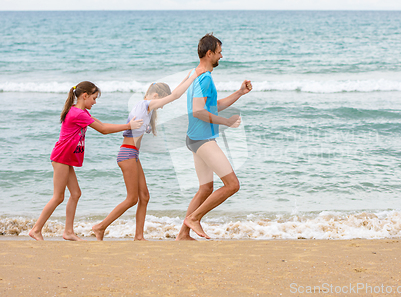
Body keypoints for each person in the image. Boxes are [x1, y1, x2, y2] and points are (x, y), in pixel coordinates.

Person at [92, 67, 206, 241]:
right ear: (155, 97)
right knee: (131, 199)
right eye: (162, 102)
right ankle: (100, 227)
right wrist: (194, 77)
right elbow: (174, 96)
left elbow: (173, 94)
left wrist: (188, 77)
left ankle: (139, 236)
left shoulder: (145, 106)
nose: (162, 106)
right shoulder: (145, 105)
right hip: (127, 155)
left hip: (133, 155)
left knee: (144, 196)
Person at [29, 81, 143, 241]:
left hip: (65, 158)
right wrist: (128, 126)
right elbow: (103, 130)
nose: (95, 102)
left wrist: (127, 126)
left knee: (75, 193)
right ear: (85, 96)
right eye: (94, 98)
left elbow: (102, 124)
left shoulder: (81, 112)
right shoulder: (77, 114)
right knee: (58, 196)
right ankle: (36, 229)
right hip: (61, 157)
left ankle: (68, 232)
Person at [176, 33, 252, 240]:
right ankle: (194, 218)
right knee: (232, 185)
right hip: (202, 140)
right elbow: (199, 111)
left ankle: (183, 234)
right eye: (219, 52)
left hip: (194, 139)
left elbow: (213, 106)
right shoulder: (205, 78)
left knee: (205, 188)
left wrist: (239, 93)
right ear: (209, 53)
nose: (221, 56)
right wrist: (226, 122)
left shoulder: (196, 73)